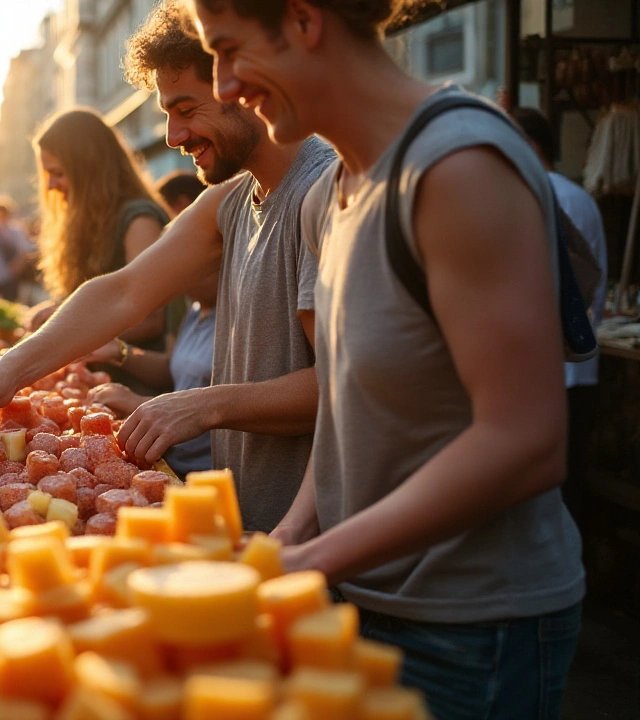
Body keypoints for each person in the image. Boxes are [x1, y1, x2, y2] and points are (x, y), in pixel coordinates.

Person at [185, 1, 584, 717]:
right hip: (362, 601)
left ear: (304, 21)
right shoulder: (331, 192)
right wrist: (292, 535)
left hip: (472, 630)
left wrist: (316, 559)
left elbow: (526, 443)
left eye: (228, 49)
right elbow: (346, 411)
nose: (223, 86)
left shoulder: (457, 166)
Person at [0, 0, 333, 536]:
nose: (173, 136)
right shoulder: (231, 199)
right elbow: (123, 292)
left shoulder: (323, 189)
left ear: (241, 83)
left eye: (187, 109)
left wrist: (203, 405)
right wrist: (7, 370)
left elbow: (341, 387)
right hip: (250, 525)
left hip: (317, 541)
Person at [510, 106, 608, 532]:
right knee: (570, 484)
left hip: (550, 369)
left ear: (530, 147)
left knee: (545, 489)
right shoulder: (577, 195)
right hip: (579, 365)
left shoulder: (535, 193)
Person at [31, 109, 170, 349]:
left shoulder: (139, 220)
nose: (51, 185)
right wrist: (58, 312)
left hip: (129, 381)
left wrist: (65, 328)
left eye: (58, 173)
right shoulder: (91, 218)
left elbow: (150, 320)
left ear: (89, 169)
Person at [84, 270, 219, 477]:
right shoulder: (195, 309)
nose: (182, 275)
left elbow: (226, 402)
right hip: (174, 458)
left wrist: (141, 402)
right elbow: (171, 369)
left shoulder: (235, 320)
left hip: (205, 471)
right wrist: (117, 351)